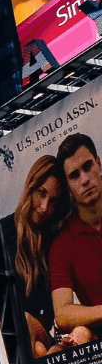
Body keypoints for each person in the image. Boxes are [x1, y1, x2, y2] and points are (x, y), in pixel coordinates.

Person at [12, 154, 89, 357]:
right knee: (36, 344)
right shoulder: (6, 233)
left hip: (45, 328)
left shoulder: (54, 239)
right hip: (15, 333)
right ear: (31, 187)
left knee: (37, 336)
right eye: (41, 193)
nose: (45, 207)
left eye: (53, 201)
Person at [50, 134, 102, 339]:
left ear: (98, 164)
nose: (85, 180)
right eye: (74, 175)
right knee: (80, 335)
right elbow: (62, 314)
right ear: (68, 185)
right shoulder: (63, 244)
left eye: (88, 167)